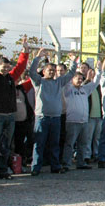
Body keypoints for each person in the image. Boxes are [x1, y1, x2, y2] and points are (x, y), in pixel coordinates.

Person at [0, 35, 29, 180]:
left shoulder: (11, 78)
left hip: (10, 116)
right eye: (3, 67)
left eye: (8, 68)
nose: (6, 70)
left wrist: (25, 51)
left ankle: (3, 169)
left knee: (6, 145)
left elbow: (20, 67)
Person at [27, 48, 77, 176]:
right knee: (39, 144)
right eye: (49, 70)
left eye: (54, 71)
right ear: (43, 71)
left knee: (55, 144)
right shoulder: (38, 82)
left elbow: (71, 73)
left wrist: (73, 61)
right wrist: (38, 57)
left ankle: (55, 166)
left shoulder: (59, 82)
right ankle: (35, 167)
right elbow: (31, 71)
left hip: (55, 118)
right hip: (42, 118)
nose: (52, 72)